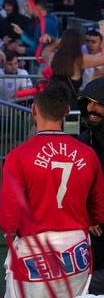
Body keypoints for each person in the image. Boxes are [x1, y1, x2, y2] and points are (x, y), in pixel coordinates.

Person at [0, 81, 104, 298]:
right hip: (76, 251)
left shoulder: (19, 156)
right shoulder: (87, 153)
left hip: (34, 251)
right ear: (66, 112)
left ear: (34, 109)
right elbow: (99, 211)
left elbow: (7, 219)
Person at [78, 78, 104, 294]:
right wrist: (86, 216)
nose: (90, 109)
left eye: (98, 103)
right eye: (88, 102)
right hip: (92, 238)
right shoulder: (82, 143)